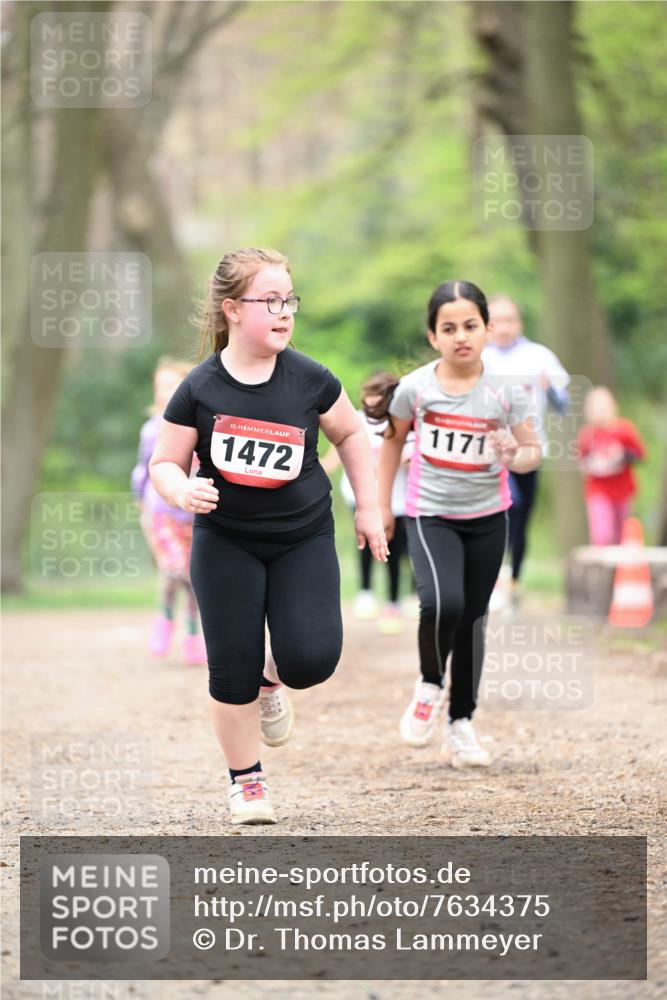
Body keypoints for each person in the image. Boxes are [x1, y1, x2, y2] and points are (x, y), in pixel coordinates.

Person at [149, 248, 388, 825]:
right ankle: (247, 783)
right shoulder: (199, 387)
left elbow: (352, 435)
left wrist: (369, 508)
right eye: (271, 301)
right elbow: (163, 463)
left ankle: (270, 678)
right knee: (229, 665)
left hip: (302, 538)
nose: (284, 312)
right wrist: (182, 491)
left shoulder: (310, 378)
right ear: (232, 309)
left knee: (311, 660)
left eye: (290, 301)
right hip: (225, 541)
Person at [375, 280, 541, 767]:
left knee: (472, 620)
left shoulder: (506, 392)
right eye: (448, 328)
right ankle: (430, 684)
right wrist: (382, 506)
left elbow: (532, 452)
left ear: (487, 329)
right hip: (430, 514)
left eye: (470, 325)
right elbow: (391, 442)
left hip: (488, 517)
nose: (461, 336)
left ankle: (461, 723)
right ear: (433, 336)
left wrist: (514, 455)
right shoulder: (416, 388)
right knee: (442, 602)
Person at [482, 296, 569, 609]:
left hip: (531, 448)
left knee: (521, 518)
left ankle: (515, 581)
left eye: (510, 320)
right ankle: (492, 581)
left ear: (520, 323)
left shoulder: (539, 356)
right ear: (488, 325)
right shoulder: (478, 356)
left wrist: (551, 391)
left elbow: (564, 402)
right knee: (507, 509)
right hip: (489, 451)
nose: (504, 327)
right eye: (497, 321)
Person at [322, 372, 415, 634]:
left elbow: (413, 458)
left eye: (379, 395)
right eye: (369, 394)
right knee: (364, 544)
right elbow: (335, 456)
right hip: (360, 497)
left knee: (395, 550)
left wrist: (395, 460)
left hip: (397, 501)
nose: (372, 400)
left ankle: (394, 601)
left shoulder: (403, 424)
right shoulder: (356, 420)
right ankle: (365, 593)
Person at [131, 357, 206, 665]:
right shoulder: (152, 430)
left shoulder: (202, 425)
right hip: (162, 513)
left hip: (195, 516)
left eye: (171, 385)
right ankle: (164, 619)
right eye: (159, 386)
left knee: (195, 578)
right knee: (175, 569)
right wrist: (141, 506)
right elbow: (142, 470)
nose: (163, 392)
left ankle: (193, 634)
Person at [576, 386, 645, 545]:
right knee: (602, 534)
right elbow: (581, 462)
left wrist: (622, 455)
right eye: (595, 410)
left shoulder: (624, 430)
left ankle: (619, 560)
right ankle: (599, 558)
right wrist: (591, 465)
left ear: (613, 407)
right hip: (598, 490)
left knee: (622, 534)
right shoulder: (587, 435)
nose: (599, 414)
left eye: (603, 409)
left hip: (623, 490)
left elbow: (640, 455)